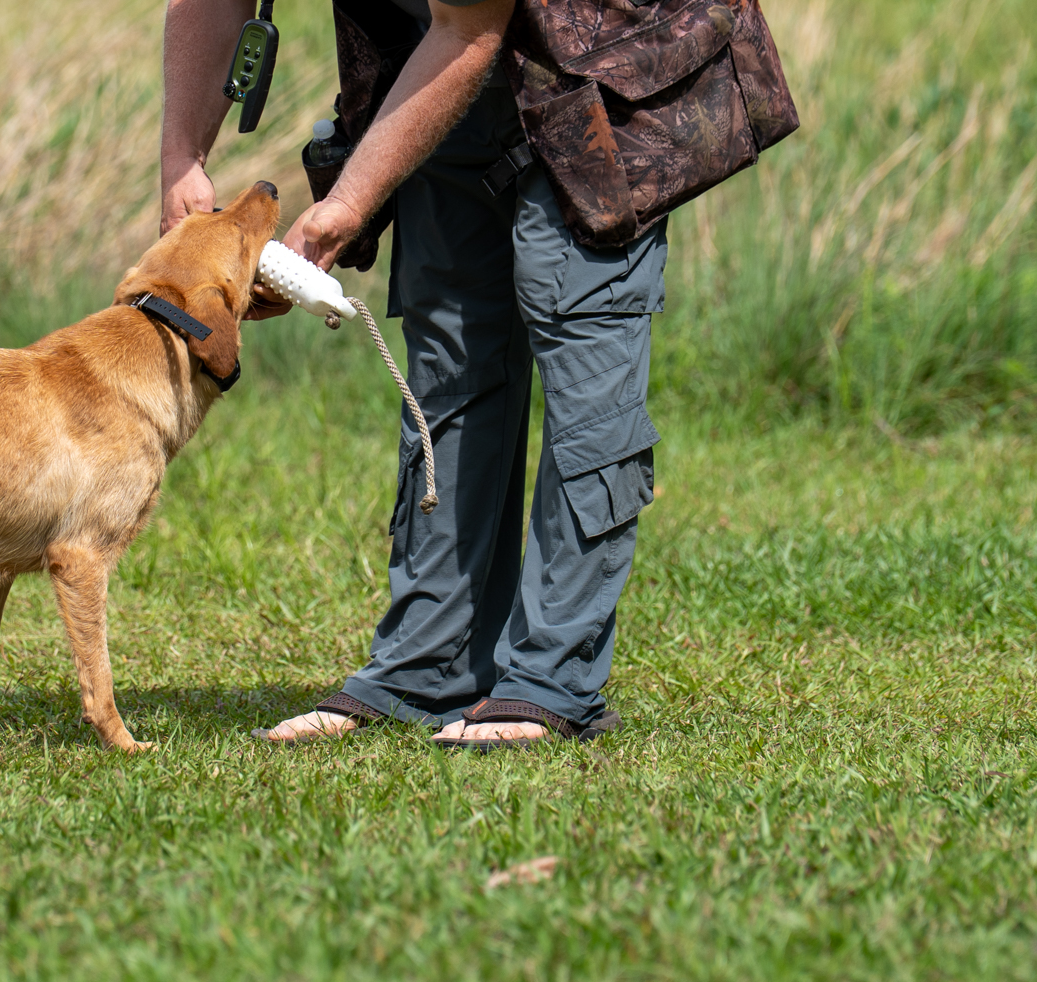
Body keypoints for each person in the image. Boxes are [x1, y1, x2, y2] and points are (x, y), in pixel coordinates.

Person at [160, 0, 672, 750]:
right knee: (450, 352)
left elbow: (471, 27)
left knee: (583, 359)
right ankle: (426, 670)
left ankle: (551, 682)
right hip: (435, 70)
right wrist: (181, 158)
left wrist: (346, 205)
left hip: (603, 61)